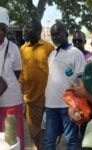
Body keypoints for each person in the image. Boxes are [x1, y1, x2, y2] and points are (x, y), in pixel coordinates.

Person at [43, 22, 86, 150]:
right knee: (49, 141)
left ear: (66, 34)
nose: (55, 37)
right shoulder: (52, 54)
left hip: (68, 106)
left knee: (71, 140)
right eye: (52, 35)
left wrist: (76, 106)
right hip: (50, 105)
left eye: (58, 34)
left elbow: (81, 81)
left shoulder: (76, 53)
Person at [19, 20, 54, 150]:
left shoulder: (49, 48)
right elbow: (22, 72)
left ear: (39, 31)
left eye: (30, 29)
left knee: (46, 131)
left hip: (47, 99)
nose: (26, 31)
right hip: (29, 98)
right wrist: (19, 89)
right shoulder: (22, 49)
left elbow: (54, 71)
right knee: (33, 131)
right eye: (26, 29)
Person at [0, 7, 24, 150]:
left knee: (13, 137)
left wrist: (5, 83)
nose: (1, 33)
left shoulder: (14, 48)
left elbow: (17, 72)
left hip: (11, 100)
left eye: (3, 29)